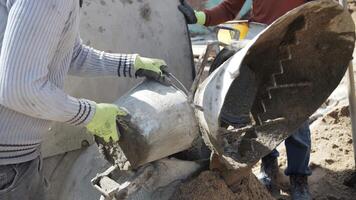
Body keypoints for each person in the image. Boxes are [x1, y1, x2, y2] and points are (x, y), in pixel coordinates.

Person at [0, 0, 169, 199]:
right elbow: (19, 88)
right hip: (7, 164)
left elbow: (70, 53)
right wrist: (90, 114)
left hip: (17, 157)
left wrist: (129, 64)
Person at [179, 1, 312, 200]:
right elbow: (229, 8)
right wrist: (199, 17)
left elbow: (322, 9)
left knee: (296, 115)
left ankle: (299, 179)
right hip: (259, 44)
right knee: (260, 112)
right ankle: (269, 167)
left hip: (296, 43)